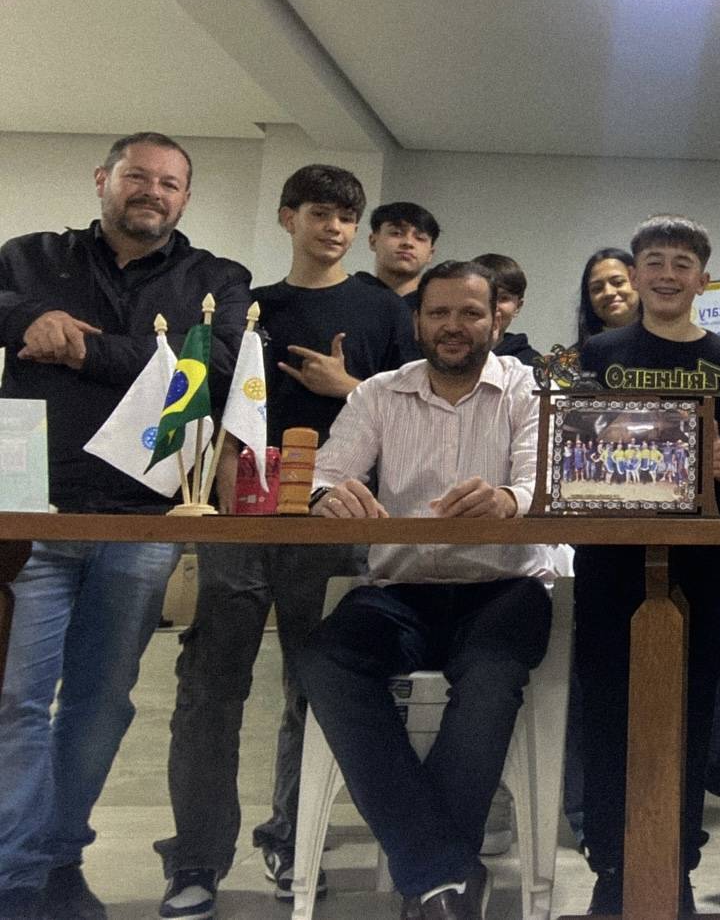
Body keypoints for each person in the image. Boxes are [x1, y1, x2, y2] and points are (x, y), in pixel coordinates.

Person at [0, 133, 251, 920]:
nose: (153, 191)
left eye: (170, 183)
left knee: (101, 703)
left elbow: (213, 376)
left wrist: (83, 352)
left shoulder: (216, 279)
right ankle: (19, 876)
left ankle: (54, 857)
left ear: (185, 198)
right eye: (137, 176)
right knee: (14, 700)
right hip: (28, 516)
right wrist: (30, 318)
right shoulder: (31, 257)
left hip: (142, 523)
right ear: (103, 180)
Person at [155, 165, 417, 919]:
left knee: (318, 689)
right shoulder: (247, 306)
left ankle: (291, 841)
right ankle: (196, 858)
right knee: (211, 688)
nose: (333, 228)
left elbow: (413, 411)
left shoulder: (382, 310)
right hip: (243, 516)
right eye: (320, 214)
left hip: (335, 522)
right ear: (286, 217)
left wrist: (350, 386)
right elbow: (211, 404)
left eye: (346, 217)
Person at [292, 261, 558, 920]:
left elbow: (542, 481)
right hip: (402, 587)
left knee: (493, 676)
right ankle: (444, 874)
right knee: (323, 657)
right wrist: (328, 496)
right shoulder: (379, 393)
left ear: (495, 318)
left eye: (470, 313)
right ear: (418, 321)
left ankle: (431, 875)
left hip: (505, 584)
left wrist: (506, 498)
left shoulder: (529, 389)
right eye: (439, 313)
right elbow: (326, 473)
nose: (453, 326)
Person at [575, 216, 720, 913]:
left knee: (685, 710)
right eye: (654, 260)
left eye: (681, 263)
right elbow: (573, 447)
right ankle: (609, 870)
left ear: (701, 279)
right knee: (607, 709)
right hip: (608, 553)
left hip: (701, 555)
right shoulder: (597, 351)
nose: (666, 274)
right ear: (637, 270)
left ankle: (675, 863)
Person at [356, 201, 440, 308]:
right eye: (396, 233)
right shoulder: (349, 296)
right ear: (373, 241)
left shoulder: (439, 305)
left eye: (420, 238)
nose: (408, 243)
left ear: (430, 254)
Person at [472, 253, 540, 366]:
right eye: (483, 297)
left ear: (518, 306)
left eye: (503, 298)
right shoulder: (450, 352)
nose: (492, 306)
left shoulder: (530, 363)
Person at [573, 247, 640, 349]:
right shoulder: (575, 359)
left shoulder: (668, 345)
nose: (608, 293)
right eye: (597, 288)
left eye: (618, 282)